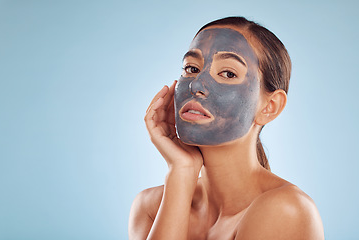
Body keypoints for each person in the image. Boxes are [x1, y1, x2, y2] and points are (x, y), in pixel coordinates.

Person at [128, 17, 324, 240]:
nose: (196, 84)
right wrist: (181, 172)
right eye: (191, 68)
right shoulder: (150, 207)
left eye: (228, 73)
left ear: (269, 107)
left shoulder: (286, 210)